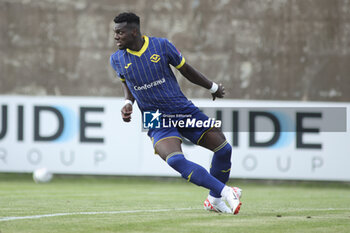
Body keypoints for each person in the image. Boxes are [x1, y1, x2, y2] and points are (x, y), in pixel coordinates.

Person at [110, 12, 242, 214]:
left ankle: (214, 200)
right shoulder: (117, 59)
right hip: (154, 118)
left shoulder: (161, 46)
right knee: (174, 160)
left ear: (134, 32)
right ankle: (224, 191)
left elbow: (186, 70)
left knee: (223, 149)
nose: (116, 37)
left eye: (120, 32)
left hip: (182, 110)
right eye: (115, 32)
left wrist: (213, 87)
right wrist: (127, 102)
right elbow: (127, 85)